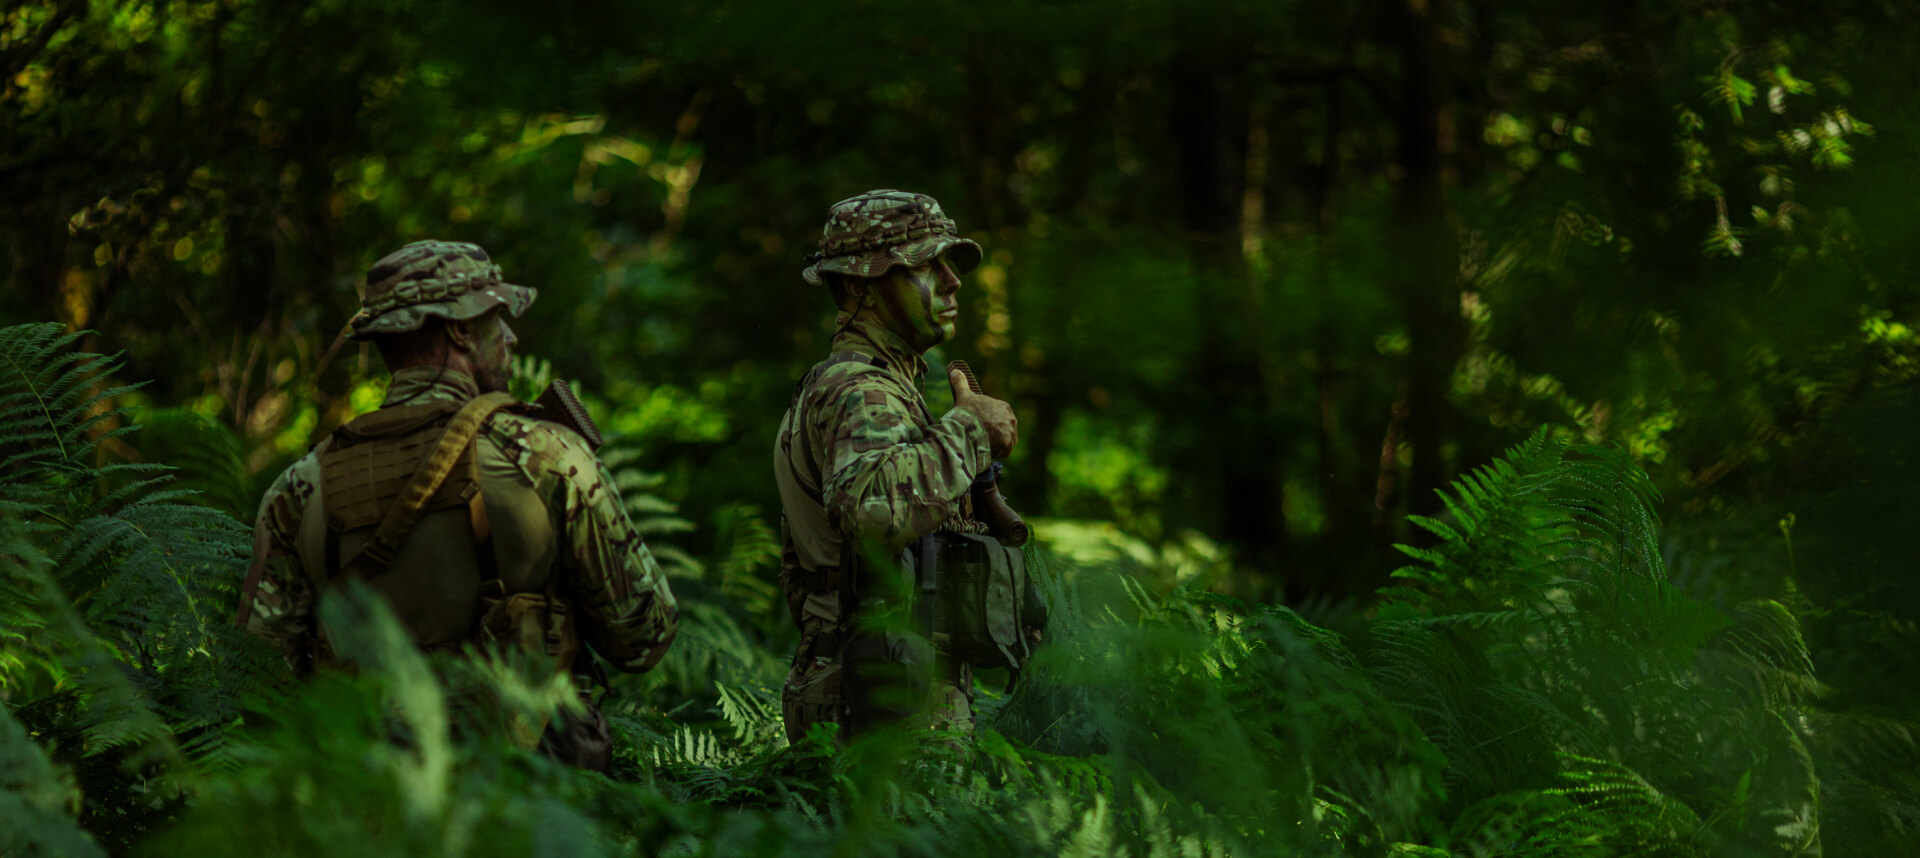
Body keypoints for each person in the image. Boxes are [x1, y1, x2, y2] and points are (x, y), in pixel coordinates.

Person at [236, 240, 678, 770]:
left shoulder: (300, 486)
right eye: (497, 316)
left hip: (367, 807)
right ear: (460, 329)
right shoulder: (545, 456)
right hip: (530, 800)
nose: (511, 336)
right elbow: (643, 636)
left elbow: (258, 683)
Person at [774, 190, 1023, 744]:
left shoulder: (876, 384)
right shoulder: (861, 390)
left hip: (881, 685)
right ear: (862, 284)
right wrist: (969, 429)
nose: (953, 280)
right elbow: (868, 508)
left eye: (948, 263)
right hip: (876, 703)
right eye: (925, 265)